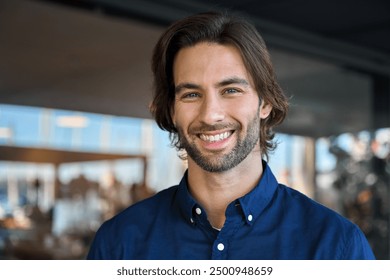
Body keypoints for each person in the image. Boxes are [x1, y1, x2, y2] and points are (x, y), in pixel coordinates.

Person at [86, 11, 375, 260]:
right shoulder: (119, 243)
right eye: (191, 94)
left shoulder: (336, 246)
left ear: (265, 103)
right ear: (172, 111)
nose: (211, 114)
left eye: (231, 90)